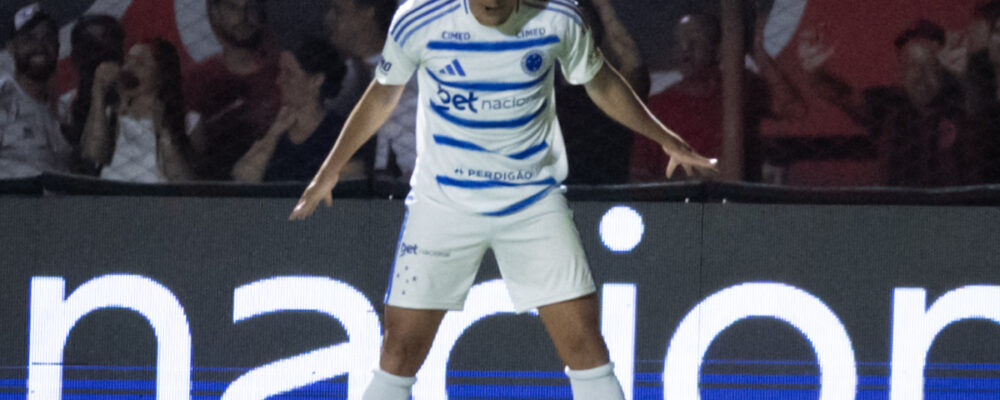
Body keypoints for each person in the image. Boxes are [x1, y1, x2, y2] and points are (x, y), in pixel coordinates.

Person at [288, 1, 716, 399]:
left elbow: (600, 82)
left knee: (586, 347)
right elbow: (383, 93)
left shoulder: (558, 18)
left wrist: (665, 138)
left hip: (532, 203)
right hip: (443, 205)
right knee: (397, 352)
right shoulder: (419, 18)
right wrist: (330, 169)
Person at [631, 9, 805, 183]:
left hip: (741, 198)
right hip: (681, 202)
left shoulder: (743, 88)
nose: (685, 49)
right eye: (678, 43)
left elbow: (794, 112)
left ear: (718, 50)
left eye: (694, 42)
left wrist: (760, 54)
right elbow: (640, 176)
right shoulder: (658, 107)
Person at [800, 20, 971, 186]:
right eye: (912, 66)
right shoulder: (889, 105)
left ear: (945, 70)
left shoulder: (962, 104)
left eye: (931, 66)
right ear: (900, 74)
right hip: (896, 209)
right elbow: (844, 95)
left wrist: (966, 79)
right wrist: (818, 73)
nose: (921, 77)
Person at [231, 38, 354, 182]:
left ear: (316, 80)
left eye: (289, 73)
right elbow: (242, 178)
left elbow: (348, 189)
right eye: (280, 72)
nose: (279, 80)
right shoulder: (274, 130)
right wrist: (272, 136)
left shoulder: (342, 135)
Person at [183, 0, 280, 180]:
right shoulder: (198, 79)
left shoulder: (284, 75)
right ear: (216, 12)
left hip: (276, 192)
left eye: (250, 7)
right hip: (213, 193)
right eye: (232, 8)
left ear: (261, 11)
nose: (243, 17)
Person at [556, 0, 649, 185]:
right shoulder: (546, 97)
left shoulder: (616, 95)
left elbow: (633, 63)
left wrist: (603, 6)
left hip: (608, 199)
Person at [79, 39, 195, 183]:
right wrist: (98, 92)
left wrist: (164, 127)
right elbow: (92, 155)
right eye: (128, 61)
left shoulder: (190, 121)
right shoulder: (110, 117)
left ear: (161, 75)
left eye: (140, 63)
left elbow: (184, 180)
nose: (129, 68)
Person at [325, 0, 411, 182]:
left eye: (338, 11)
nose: (329, 18)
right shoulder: (348, 81)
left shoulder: (413, 79)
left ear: (367, 14)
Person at [0, 3, 73, 178]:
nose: (40, 46)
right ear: (11, 47)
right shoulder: (4, 98)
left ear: (57, 47)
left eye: (48, 38)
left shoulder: (63, 112)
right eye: (29, 39)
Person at [64, 14, 126, 174]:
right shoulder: (63, 110)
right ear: (75, 59)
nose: (100, 62)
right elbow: (88, 164)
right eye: (92, 49)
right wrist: (98, 93)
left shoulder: (134, 107)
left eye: (108, 53)